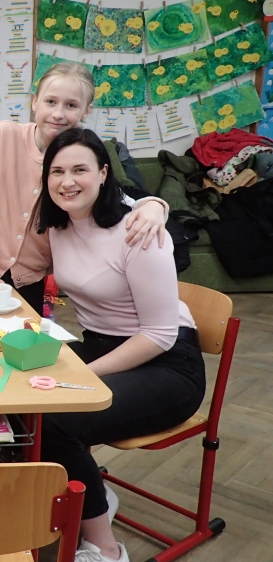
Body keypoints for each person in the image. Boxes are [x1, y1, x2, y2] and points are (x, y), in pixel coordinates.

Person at [35, 129, 206, 562]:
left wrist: (81, 376)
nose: (67, 181)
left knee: (56, 421)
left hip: (166, 364)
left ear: (103, 173)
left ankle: (106, 549)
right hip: (102, 347)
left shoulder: (138, 229)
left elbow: (160, 335)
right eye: (57, 171)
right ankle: (89, 494)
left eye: (80, 169)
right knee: (16, 394)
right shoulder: (59, 222)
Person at [0, 62, 169, 313]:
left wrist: (154, 205)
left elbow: (117, 199)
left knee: (25, 334)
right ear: (35, 101)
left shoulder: (83, 154)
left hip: (29, 275)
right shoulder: (5, 135)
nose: (58, 114)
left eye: (71, 105)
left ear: (86, 111)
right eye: (51, 102)